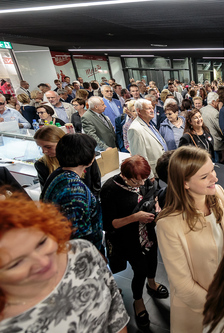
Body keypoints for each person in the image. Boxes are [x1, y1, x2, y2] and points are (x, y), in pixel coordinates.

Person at [0, 193, 129, 332]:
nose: (43, 262)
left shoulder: (82, 251)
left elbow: (115, 309)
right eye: (16, 263)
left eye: (42, 243)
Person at [156, 146, 224, 332]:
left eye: (212, 170)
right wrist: (223, 304)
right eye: (204, 176)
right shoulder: (168, 224)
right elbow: (184, 286)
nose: (215, 179)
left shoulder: (218, 193)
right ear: (185, 183)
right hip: (199, 310)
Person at [101, 155, 169, 329]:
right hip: (128, 238)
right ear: (124, 175)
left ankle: (152, 283)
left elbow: (152, 195)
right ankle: (138, 301)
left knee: (152, 260)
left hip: (148, 232)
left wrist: (157, 207)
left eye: (144, 180)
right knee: (139, 270)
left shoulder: (145, 181)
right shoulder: (110, 189)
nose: (140, 184)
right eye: (135, 182)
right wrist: (135, 217)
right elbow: (110, 224)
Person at [40, 133, 104, 252]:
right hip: (82, 258)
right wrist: (95, 257)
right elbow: (78, 237)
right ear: (87, 156)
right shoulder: (73, 189)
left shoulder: (59, 174)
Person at [34, 125, 101, 196]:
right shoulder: (41, 164)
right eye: (40, 147)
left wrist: (93, 200)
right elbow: (46, 192)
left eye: (48, 147)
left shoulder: (82, 155)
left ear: (62, 143)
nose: (44, 151)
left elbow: (96, 181)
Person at [128, 99, 167, 179]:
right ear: (139, 111)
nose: (152, 110)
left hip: (162, 169)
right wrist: (149, 176)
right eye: (148, 109)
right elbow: (139, 157)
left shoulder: (149, 123)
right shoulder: (135, 129)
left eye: (152, 108)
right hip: (153, 174)